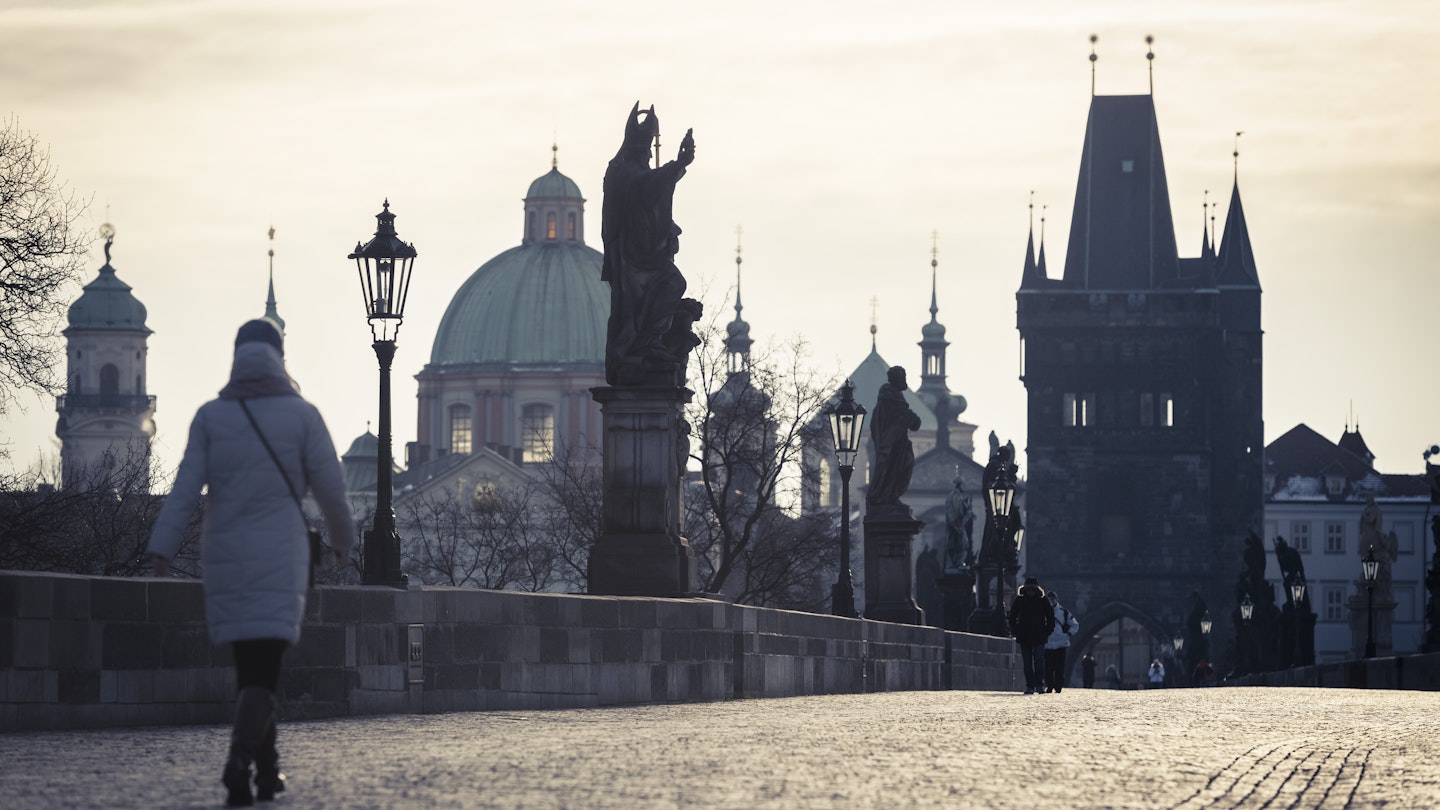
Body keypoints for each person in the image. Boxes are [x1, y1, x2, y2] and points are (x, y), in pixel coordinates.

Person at [146, 319, 355, 807]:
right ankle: (239, 763)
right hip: (281, 555)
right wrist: (343, 541)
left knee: (251, 667)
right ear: (279, 357)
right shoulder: (303, 415)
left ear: (237, 356)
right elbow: (331, 491)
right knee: (266, 665)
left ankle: (267, 770)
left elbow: (183, 489)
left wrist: (162, 545)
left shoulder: (210, 417)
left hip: (224, 555)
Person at [867, 366, 922, 511]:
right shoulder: (888, 395)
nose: (904, 380)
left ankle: (891, 496)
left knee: (904, 466)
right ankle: (883, 497)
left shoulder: (895, 395)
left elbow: (904, 415)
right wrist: (912, 418)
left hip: (899, 442)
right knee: (891, 470)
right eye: (902, 377)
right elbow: (900, 414)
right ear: (896, 379)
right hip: (890, 443)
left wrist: (912, 419)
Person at [1008, 576, 1055, 694]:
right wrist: (1015, 631)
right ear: (1025, 589)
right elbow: (1012, 616)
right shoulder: (1019, 600)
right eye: (1029, 589)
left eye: (1032, 590)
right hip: (1024, 636)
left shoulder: (1043, 600)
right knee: (1027, 663)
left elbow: (1050, 617)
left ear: (1036, 590)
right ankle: (1030, 686)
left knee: (1039, 661)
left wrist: (1047, 631)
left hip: (1039, 636)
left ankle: (1039, 684)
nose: (1030, 592)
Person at [1042, 591, 1079, 693]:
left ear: (1056, 600)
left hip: (1061, 643)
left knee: (1059, 667)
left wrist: (1069, 634)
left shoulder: (1064, 612)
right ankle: (1049, 685)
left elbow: (1075, 624)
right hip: (1048, 643)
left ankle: (1058, 686)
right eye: (1049, 599)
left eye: (1052, 599)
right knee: (1048, 667)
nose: (1051, 601)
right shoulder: (1043, 612)